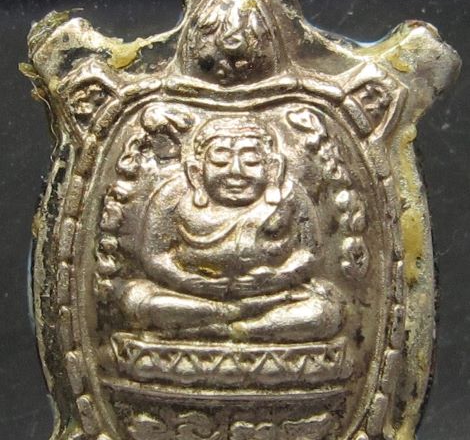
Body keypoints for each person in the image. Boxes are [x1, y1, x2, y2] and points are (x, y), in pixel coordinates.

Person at [118, 115, 344, 342]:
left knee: (325, 308)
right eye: (220, 162)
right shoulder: (172, 196)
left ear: (273, 168)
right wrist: (188, 281)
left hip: (273, 296)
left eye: (251, 161)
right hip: (192, 297)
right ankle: (230, 316)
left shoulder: (290, 196)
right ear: (196, 171)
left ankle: (238, 329)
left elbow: (309, 253)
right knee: (135, 298)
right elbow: (155, 256)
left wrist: (277, 277)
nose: (236, 171)